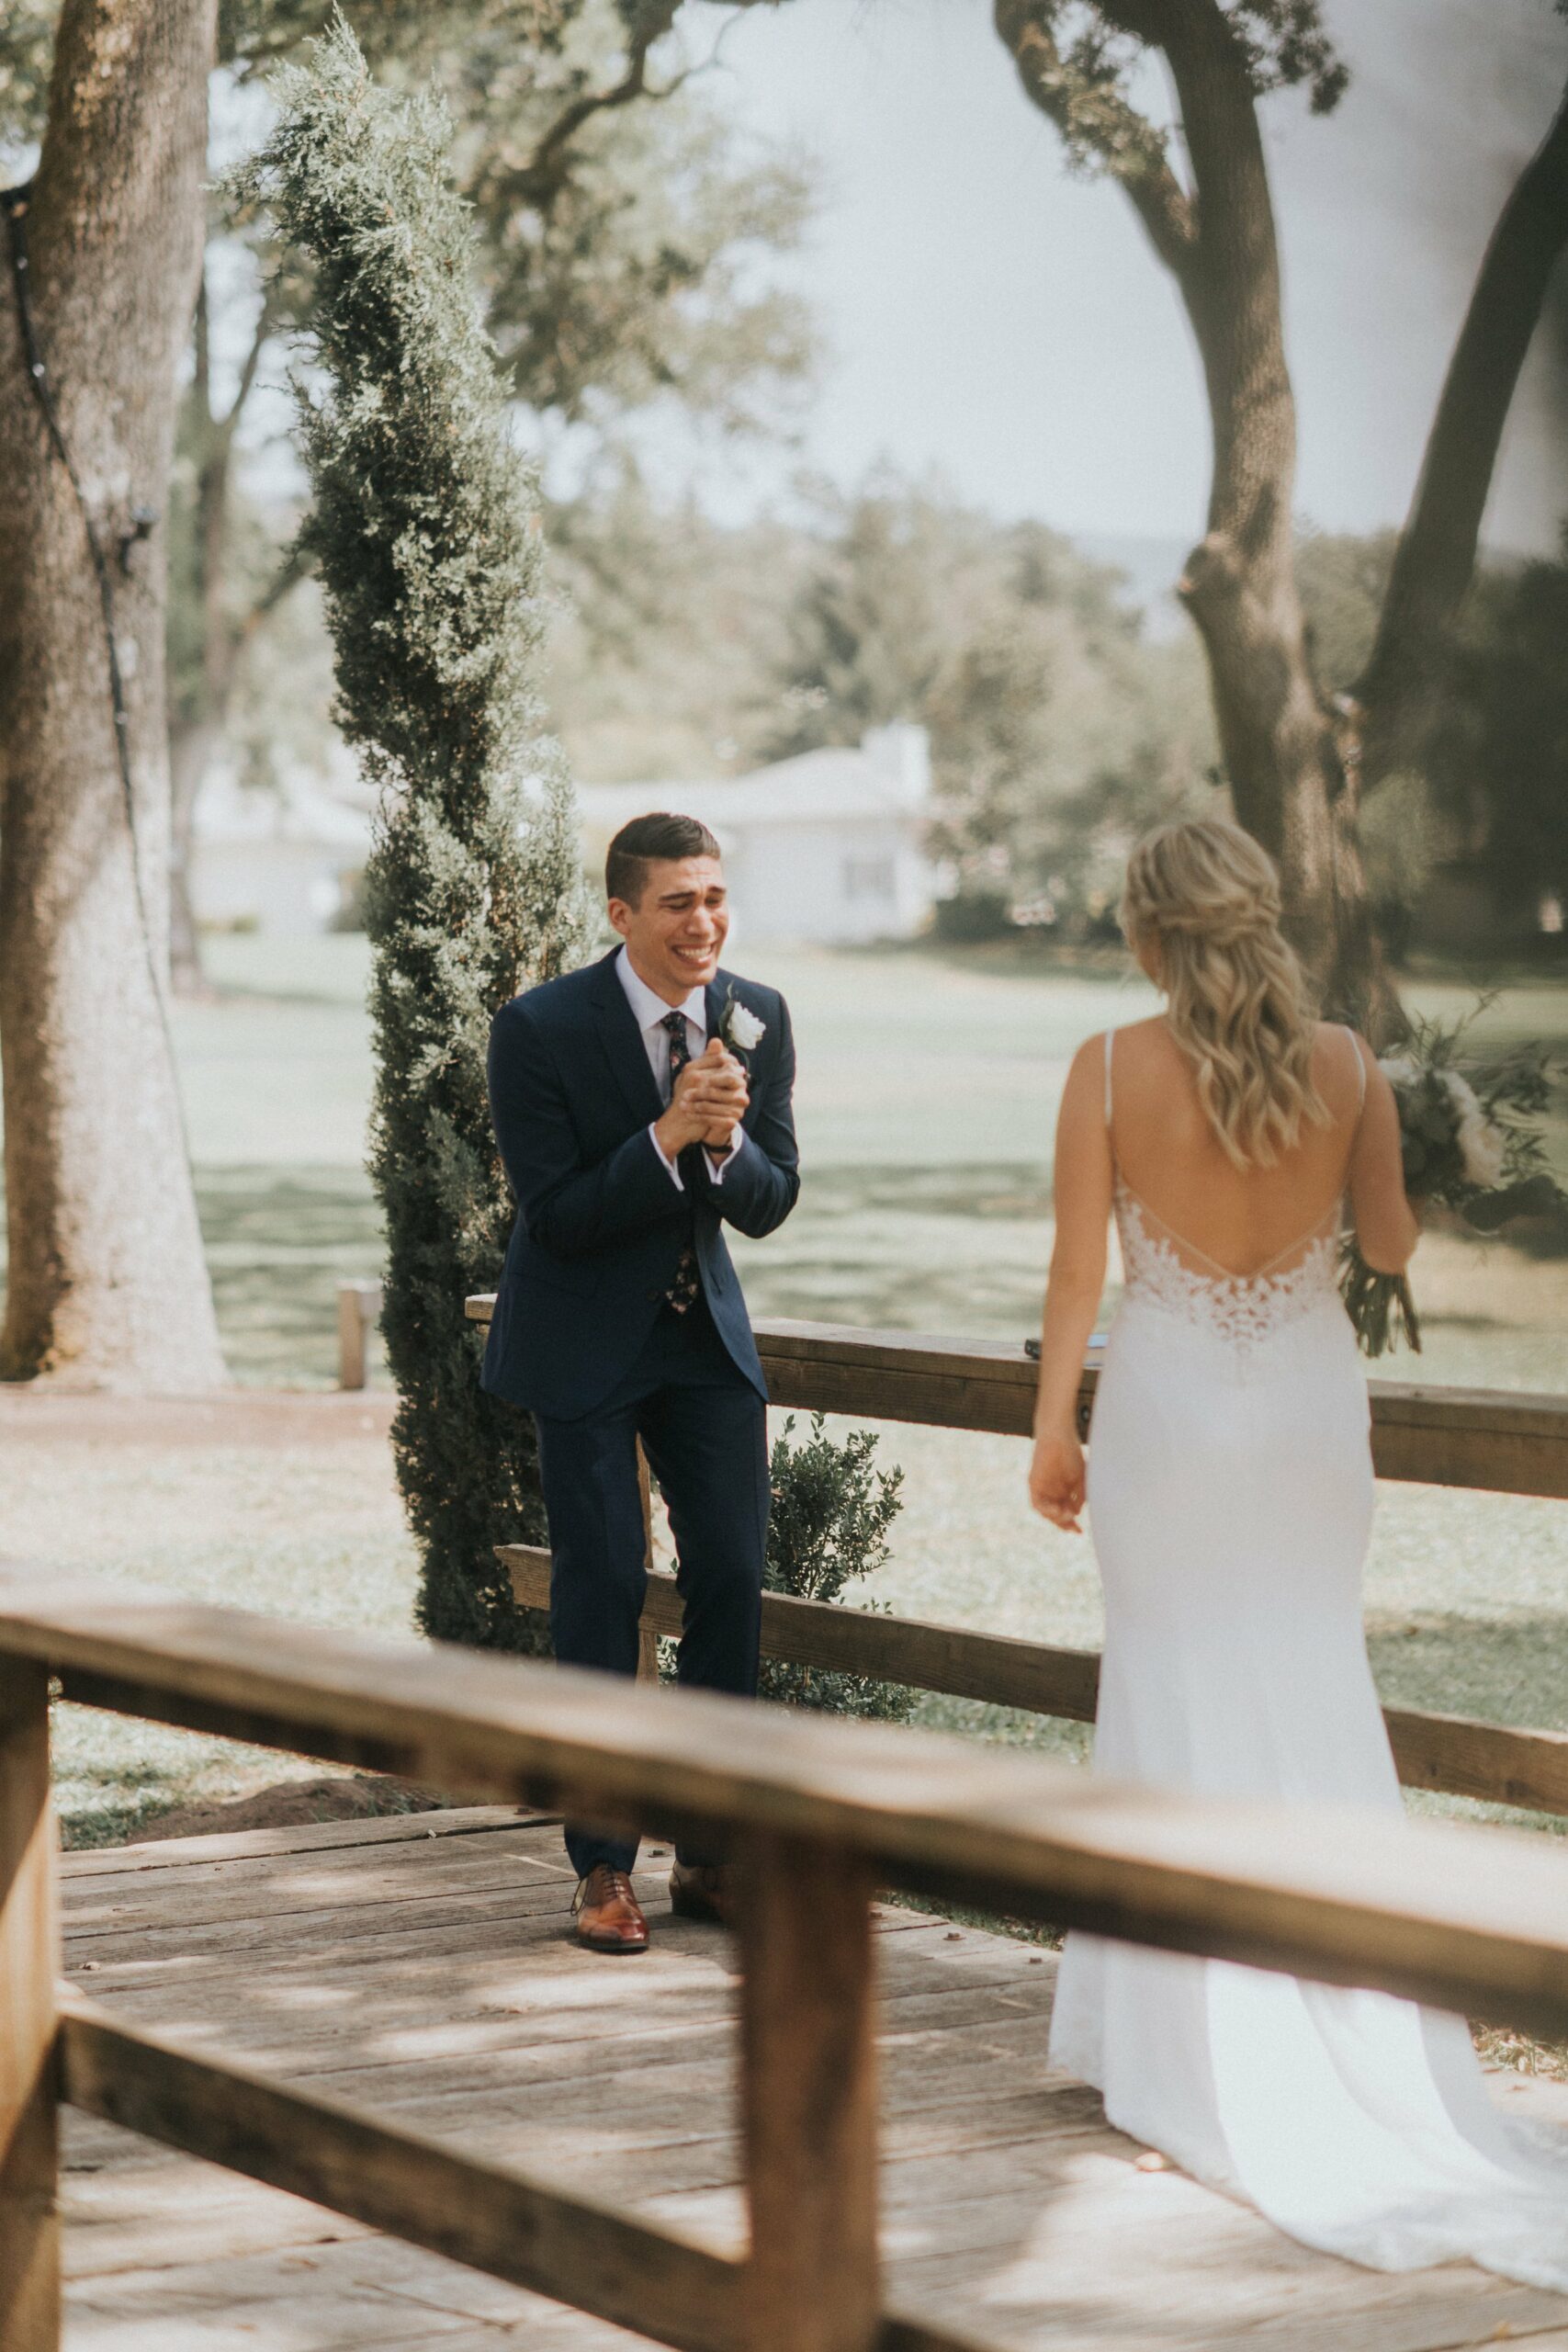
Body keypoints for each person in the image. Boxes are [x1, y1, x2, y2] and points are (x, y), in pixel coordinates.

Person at [1029, 816, 1568, 2284]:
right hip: (1306, 1422)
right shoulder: (1342, 1064)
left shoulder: (1104, 1068)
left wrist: (1047, 1429)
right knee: (1311, 1692)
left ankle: (1186, 2047)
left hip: (1167, 1412)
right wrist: (1434, 1134)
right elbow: (1385, 1252)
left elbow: (1077, 1271)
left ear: (1148, 930)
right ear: (1258, 920)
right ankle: (1341, 2015)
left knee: (1170, 1697)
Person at [482, 812, 798, 1953]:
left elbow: (772, 1199)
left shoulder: (758, 1015)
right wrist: (667, 1135)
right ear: (621, 914)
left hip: (699, 1342)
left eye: (715, 897)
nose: (704, 922)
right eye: (678, 902)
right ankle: (601, 1866)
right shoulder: (539, 1028)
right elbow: (557, 1215)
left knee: (730, 1575)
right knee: (602, 1584)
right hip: (580, 1342)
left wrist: (722, 1149)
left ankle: (710, 1852)